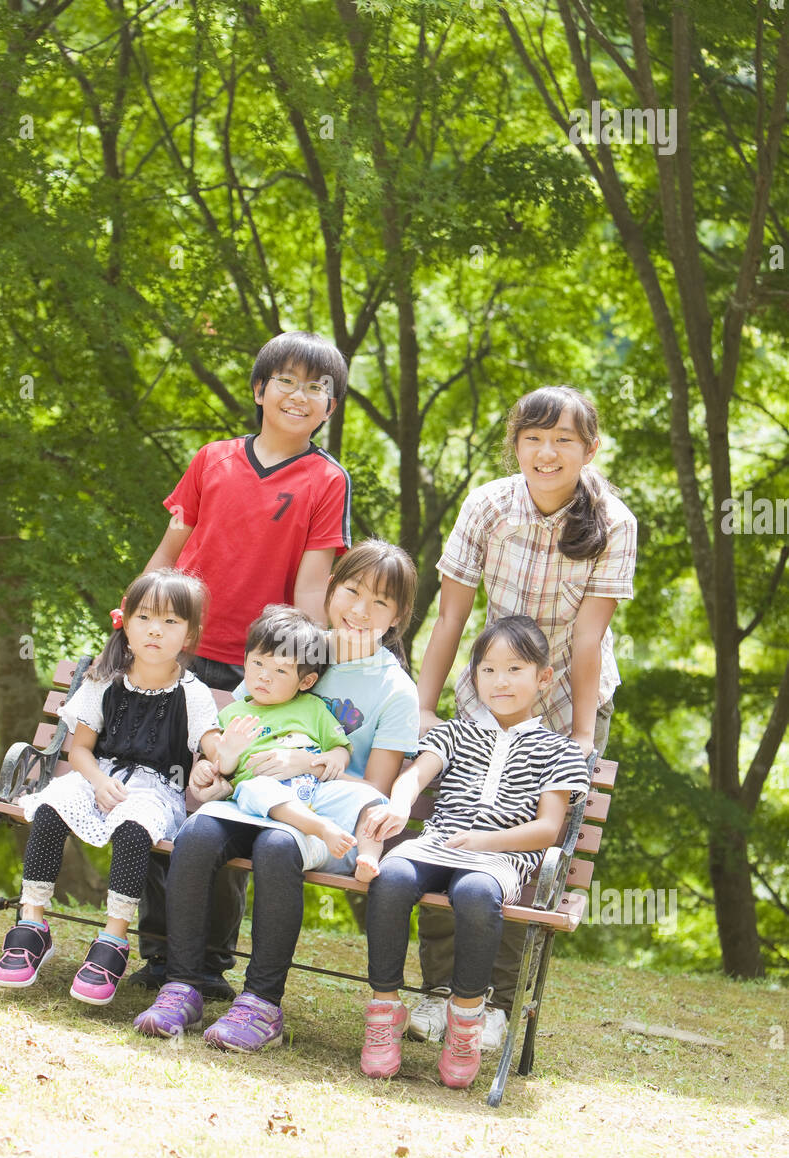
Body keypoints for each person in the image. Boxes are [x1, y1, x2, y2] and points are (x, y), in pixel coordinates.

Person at [411, 385, 637, 1049]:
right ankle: (434, 997)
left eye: (564, 440)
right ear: (516, 443)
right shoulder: (488, 505)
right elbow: (451, 615)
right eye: (534, 437)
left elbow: (590, 640)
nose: (548, 451)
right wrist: (426, 706)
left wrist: (582, 737)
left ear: (589, 450)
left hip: (568, 701)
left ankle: (495, 1006)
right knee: (454, 837)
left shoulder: (614, 522)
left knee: (527, 858)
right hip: (487, 695)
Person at [132, 539, 420, 1050]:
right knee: (197, 831)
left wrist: (305, 762)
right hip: (249, 798)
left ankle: (262, 1004)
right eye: (351, 590)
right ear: (331, 588)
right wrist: (208, 770)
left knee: (276, 847)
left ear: (398, 616)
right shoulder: (291, 641)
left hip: (319, 818)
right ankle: (181, 985)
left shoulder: (394, 690)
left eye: (379, 602)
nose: (359, 610)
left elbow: (374, 790)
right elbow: (236, 730)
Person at [134, 330, 352, 997]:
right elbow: (168, 553)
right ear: (259, 390)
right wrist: (131, 622)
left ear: (330, 407)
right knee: (161, 793)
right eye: (286, 380)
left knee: (222, 808)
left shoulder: (326, 480)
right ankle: (158, 951)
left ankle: (205, 965)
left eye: (317, 387)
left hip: (252, 675)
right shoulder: (211, 460)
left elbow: (313, 589)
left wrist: (309, 669)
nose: (300, 394)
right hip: (181, 657)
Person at [359, 616, 590, 1090]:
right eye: (488, 670)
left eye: (515, 669)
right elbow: (414, 776)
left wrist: (484, 841)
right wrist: (401, 803)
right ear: (474, 677)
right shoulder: (455, 732)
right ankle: (383, 1013)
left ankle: (465, 1021)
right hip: (438, 843)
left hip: (496, 860)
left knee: (475, 895)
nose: (499, 681)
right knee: (391, 879)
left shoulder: (558, 751)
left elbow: (548, 829)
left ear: (543, 678)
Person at [0, 570, 221, 1004]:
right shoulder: (104, 680)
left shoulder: (193, 693)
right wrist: (97, 781)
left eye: (171, 622)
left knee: (136, 826)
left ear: (189, 635)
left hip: (157, 790)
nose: (156, 629)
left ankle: (113, 939)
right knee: (51, 805)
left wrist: (224, 751)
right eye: (146, 617)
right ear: (127, 624)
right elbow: (79, 751)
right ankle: (32, 922)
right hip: (98, 777)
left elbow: (211, 743)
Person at [190, 606, 389, 879]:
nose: (264, 676)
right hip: (263, 797)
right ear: (246, 661)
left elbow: (340, 748)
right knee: (253, 787)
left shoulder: (313, 708)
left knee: (370, 797)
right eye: (258, 663)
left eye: (280, 671)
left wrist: (335, 758)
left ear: (306, 681)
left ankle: (367, 856)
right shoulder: (232, 714)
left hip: (313, 791)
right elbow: (223, 770)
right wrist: (225, 756)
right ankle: (320, 828)